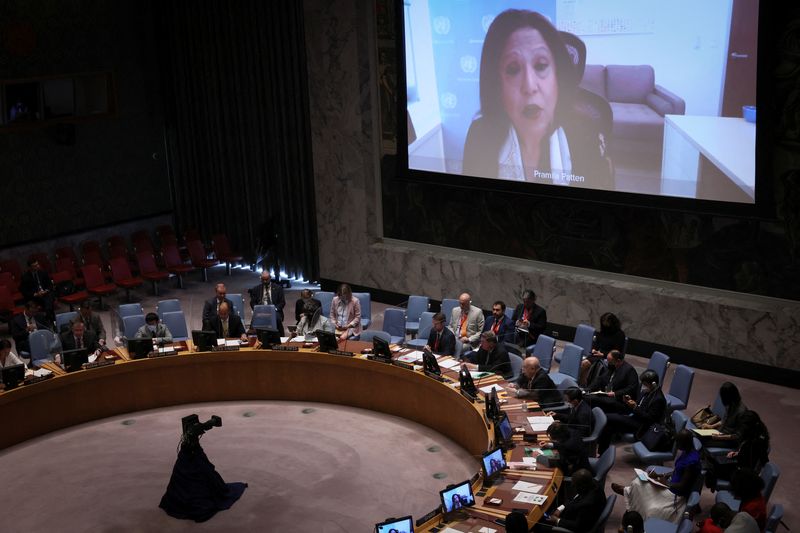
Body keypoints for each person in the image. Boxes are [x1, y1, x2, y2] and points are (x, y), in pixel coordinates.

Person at [462, 9, 613, 187]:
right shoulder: (481, 135)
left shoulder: (585, 135)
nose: (530, 86)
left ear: (558, 77)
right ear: (496, 85)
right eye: (513, 69)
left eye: (541, 65)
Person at [611, 429, 701, 522]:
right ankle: (629, 492)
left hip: (675, 494)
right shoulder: (687, 451)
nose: (677, 445)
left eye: (679, 443)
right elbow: (677, 471)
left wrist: (666, 483)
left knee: (643, 492)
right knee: (638, 482)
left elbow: (683, 486)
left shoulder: (692, 462)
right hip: (670, 484)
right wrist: (660, 475)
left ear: (685, 443)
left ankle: (628, 492)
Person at [597, 369, 666, 454]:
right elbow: (639, 404)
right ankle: (602, 453)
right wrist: (629, 401)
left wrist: (635, 407)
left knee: (607, 417)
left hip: (641, 426)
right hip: (634, 417)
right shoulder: (647, 391)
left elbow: (650, 419)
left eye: (645, 384)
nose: (643, 386)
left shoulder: (658, 399)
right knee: (609, 426)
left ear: (653, 384)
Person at [706, 410, 770, 489]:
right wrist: (737, 453)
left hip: (741, 475)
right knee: (711, 459)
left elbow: (755, 463)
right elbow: (746, 453)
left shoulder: (757, 442)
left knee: (710, 466)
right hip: (739, 464)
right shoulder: (756, 432)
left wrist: (739, 456)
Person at [535, 468, 605, 532]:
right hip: (574, 514)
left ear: (582, 487)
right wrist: (560, 509)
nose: (572, 486)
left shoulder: (587, 505)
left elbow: (577, 526)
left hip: (574, 526)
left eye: (575, 485)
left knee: (537, 526)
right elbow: (575, 498)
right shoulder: (592, 483)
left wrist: (557, 520)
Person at [585, 350, 639, 414]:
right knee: (586, 396)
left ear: (618, 361)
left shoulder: (629, 370)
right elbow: (600, 379)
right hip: (607, 395)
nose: (608, 363)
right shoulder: (612, 366)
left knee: (592, 400)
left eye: (610, 362)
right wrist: (588, 389)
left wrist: (615, 393)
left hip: (619, 400)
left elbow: (631, 388)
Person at [581, 311, 625, 386]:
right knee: (582, 363)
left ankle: (583, 384)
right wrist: (594, 349)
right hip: (597, 354)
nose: (605, 325)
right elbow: (597, 342)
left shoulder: (619, 335)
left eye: (606, 323)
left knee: (584, 364)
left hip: (608, 358)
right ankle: (583, 383)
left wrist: (603, 354)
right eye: (603, 323)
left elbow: (617, 352)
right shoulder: (604, 331)